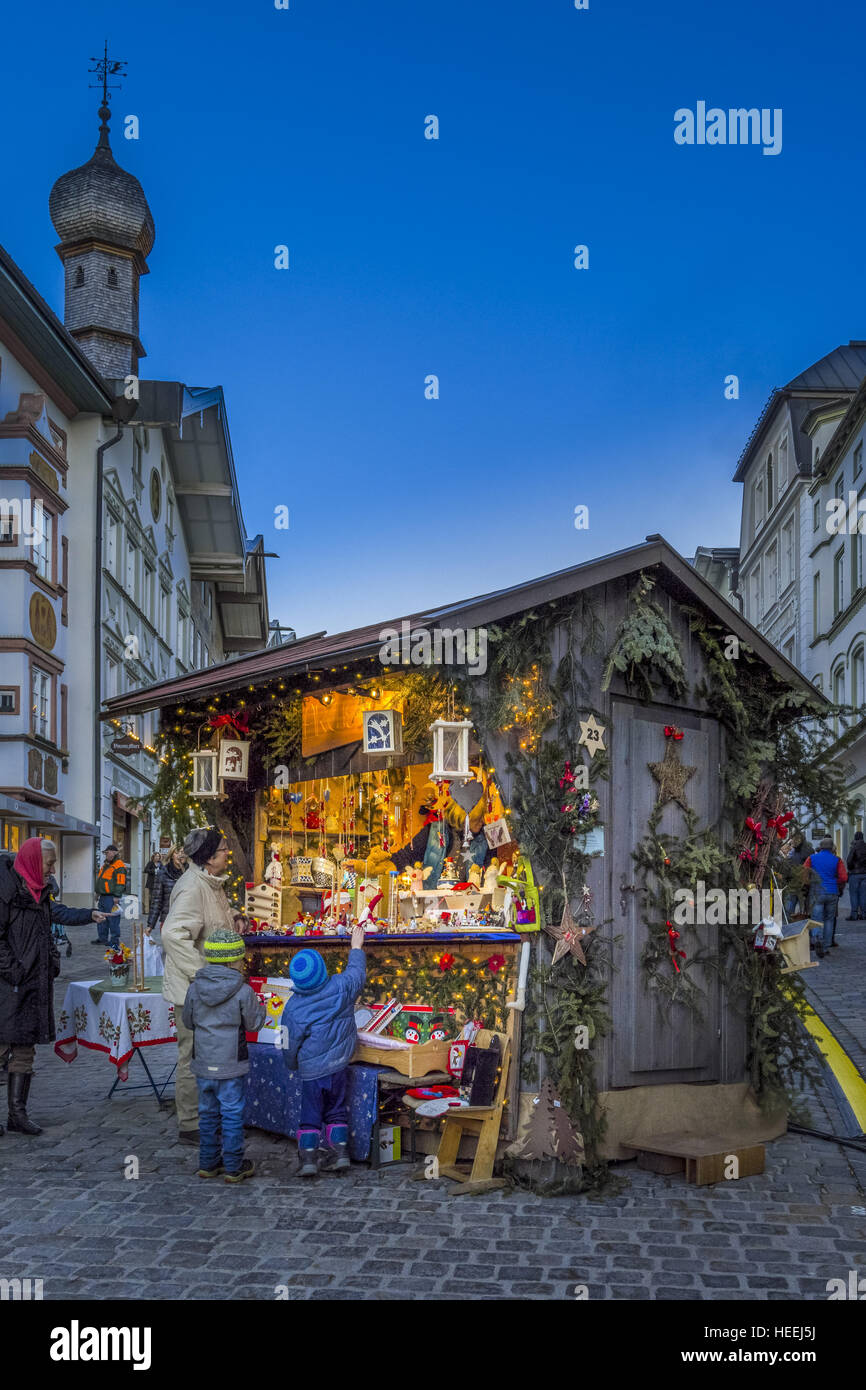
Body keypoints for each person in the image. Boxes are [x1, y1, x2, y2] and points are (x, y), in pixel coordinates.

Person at [0, 838, 106, 1136]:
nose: (53, 868)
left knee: (25, 1047)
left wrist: (89, 914)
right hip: (10, 985)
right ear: (35, 861)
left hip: (35, 982)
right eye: (50, 862)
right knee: (3, 1044)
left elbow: (56, 915)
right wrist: (16, 972)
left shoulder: (39, 891)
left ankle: (17, 1115)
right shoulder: (6, 893)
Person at [161, 828, 238, 1144]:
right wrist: (202, 973)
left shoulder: (208, 883)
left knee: (207, 1055)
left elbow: (210, 918)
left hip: (211, 990)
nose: (226, 854)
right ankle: (190, 1123)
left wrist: (235, 918)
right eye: (222, 850)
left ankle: (207, 1115)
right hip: (195, 991)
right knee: (192, 1055)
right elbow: (173, 935)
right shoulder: (192, 886)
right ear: (208, 858)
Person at [280, 925, 366, 1177]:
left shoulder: (293, 1008)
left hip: (311, 1070)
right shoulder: (341, 986)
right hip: (339, 1064)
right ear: (323, 970)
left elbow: (288, 1042)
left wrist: (292, 1064)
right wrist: (356, 948)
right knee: (336, 1109)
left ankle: (308, 1159)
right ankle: (339, 1153)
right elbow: (357, 973)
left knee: (310, 1114)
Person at [182, 926, 266, 1183]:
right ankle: (233, 1164)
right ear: (235, 959)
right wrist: (261, 1009)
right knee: (231, 1114)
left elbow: (188, 1021)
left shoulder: (195, 988)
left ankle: (208, 1163)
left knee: (207, 1114)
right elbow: (253, 1024)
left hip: (204, 1062)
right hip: (231, 1062)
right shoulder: (243, 991)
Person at [803, 836, 847, 958]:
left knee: (816, 918)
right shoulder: (837, 860)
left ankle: (817, 938)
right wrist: (834, 881)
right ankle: (826, 946)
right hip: (832, 892)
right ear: (832, 847)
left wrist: (808, 884)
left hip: (817, 892)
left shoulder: (811, 858)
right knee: (829, 919)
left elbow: (804, 873)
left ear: (820, 847)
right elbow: (843, 877)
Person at [146, 846, 187, 955]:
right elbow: (156, 900)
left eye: (183, 852)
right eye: (177, 852)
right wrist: (150, 924)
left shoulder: (190, 873)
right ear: (171, 855)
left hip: (187, 921)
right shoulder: (162, 873)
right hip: (168, 920)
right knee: (172, 954)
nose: (180, 855)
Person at [94, 843, 127, 950]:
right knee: (101, 917)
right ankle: (102, 938)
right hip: (103, 896)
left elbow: (120, 882)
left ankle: (114, 940)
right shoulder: (106, 865)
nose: (106, 855)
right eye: (105, 853)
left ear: (114, 852)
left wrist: (117, 896)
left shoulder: (119, 865)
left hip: (111, 897)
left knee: (113, 919)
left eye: (107, 852)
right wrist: (98, 893)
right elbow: (101, 880)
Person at [783, 830, 814, 919]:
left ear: (800, 839)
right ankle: (791, 924)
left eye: (795, 838)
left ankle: (799, 926)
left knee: (802, 908)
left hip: (803, 883)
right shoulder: (794, 851)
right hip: (794, 882)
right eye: (793, 838)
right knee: (792, 907)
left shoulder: (806, 850)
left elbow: (808, 867)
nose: (793, 841)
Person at [846, 831, 866, 922]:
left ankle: (854, 914)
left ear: (855, 838)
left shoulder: (854, 848)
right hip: (865, 874)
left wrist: (851, 868)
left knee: (853, 894)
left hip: (854, 874)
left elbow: (849, 861)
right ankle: (864, 914)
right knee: (863, 894)